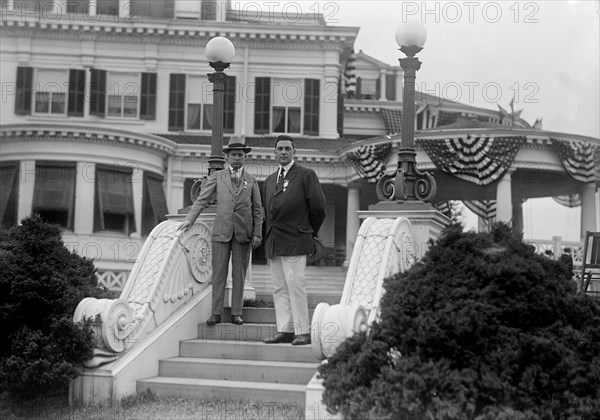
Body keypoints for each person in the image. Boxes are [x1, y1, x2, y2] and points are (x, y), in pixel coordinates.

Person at [178, 136, 262, 326]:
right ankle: (215, 313)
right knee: (218, 274)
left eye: (240, 154)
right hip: (221, 232)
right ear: (227, 157)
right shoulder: (218, 177)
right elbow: (201, 200)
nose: (237, 158)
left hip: (243, 234)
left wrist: (257, 233)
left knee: (239, 274)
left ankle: (236, 313)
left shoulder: (252, 180)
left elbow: (258, 210)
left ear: (245, 158)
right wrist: (189, 219)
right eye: (233, 154)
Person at [262, 134, 326, 346]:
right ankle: (285, 330)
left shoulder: (306, 175)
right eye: (279, 149)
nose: (283, 152)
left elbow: (318, 208)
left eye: (287, 149)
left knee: (295, 285)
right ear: (274, 152)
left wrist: (308, 231)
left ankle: (303, 332)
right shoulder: (270, 181)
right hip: (275, 240)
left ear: (294, 152)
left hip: (296, 238)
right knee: (278, 287)